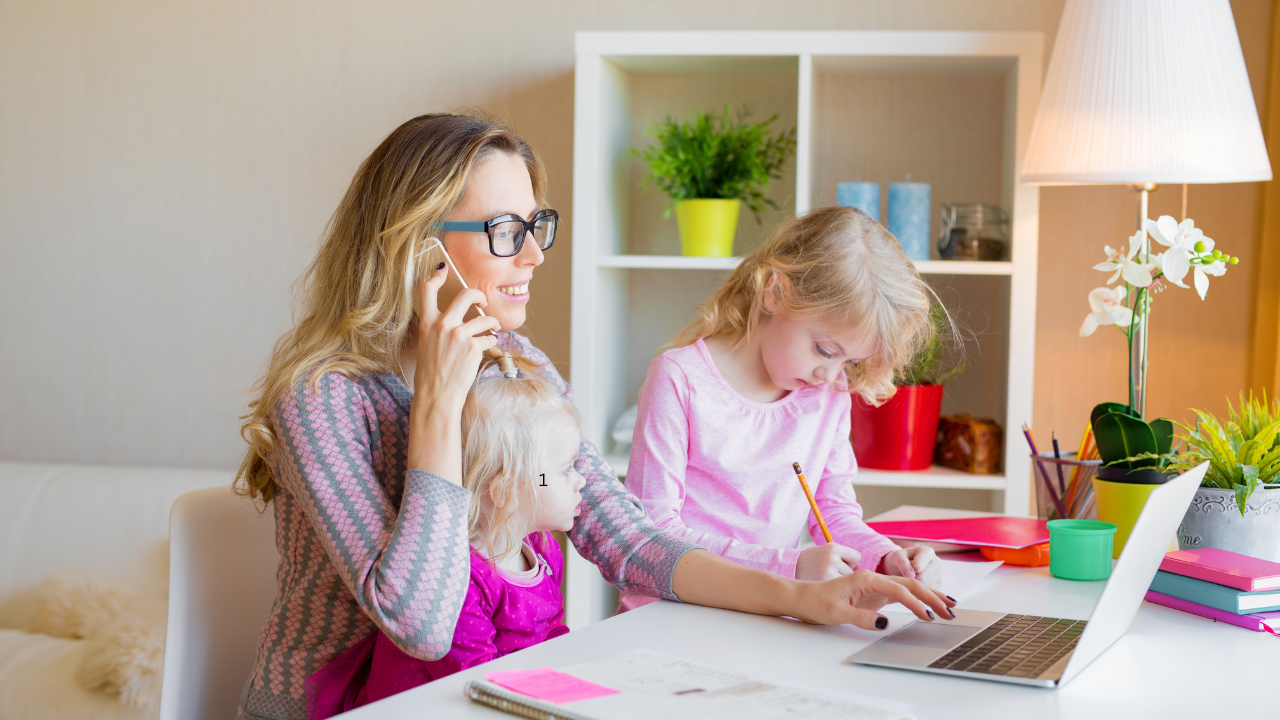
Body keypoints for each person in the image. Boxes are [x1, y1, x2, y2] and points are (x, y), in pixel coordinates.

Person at [233, 112, 953, 720]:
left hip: (472, 695)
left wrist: (805, 595)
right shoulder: (325, 399)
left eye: (536, 225)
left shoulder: (519, 368)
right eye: (506, 230)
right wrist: (439, 407)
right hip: (350, 708)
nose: (537, 254)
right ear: (419, 247)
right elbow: (420, 625)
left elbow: (631, 541)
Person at [621, 206, 944, 612]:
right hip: (673, 612)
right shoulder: (679, 379)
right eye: (825, 350)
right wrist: (789, 567)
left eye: (849, 362)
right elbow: (654, 535)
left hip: (766, 614)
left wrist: (886, 557)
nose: (830, 375)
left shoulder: (829, 394)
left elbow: (835, 513)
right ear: (775, 292)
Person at [304, 354, 583, 718]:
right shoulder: (458, 577)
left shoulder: (543, 553)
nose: (580, 481)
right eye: (563, 471)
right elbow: (474, 682)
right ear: (506, 490)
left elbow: (553, 634)